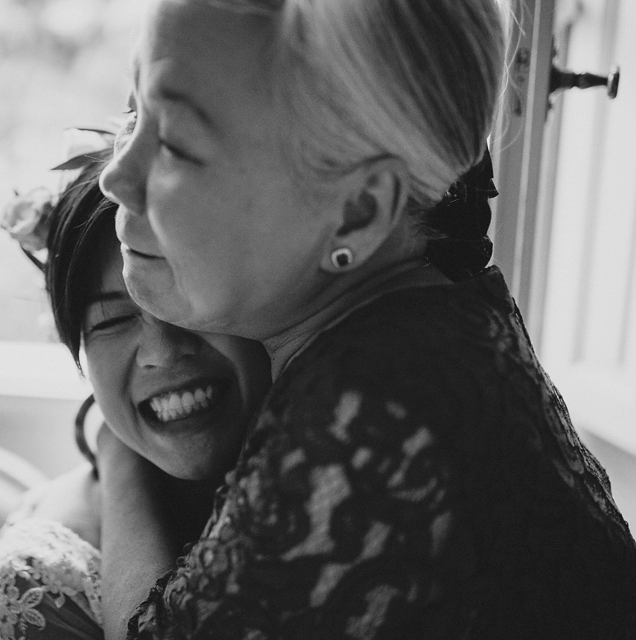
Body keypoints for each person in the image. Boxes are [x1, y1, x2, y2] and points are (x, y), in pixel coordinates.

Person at [94, 1, 636, 638]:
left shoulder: (369, 410)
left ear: (358, 213)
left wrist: (116, 453)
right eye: (135, 112)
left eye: (177, 146)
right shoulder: (447, 311)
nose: (114, 177)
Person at [0, 144, 272, 640]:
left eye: (186, 295)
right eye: (112, 319)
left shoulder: (351, 456)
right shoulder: (45, 578)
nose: (163, 351)